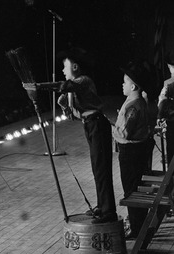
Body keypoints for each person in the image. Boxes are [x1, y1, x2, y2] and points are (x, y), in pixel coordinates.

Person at [23, 47, 117, 224]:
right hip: (89, 126)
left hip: (98, 125)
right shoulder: (74, 90)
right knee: (97, 168)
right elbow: (73, 115)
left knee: (102, 168)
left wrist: (39, 87)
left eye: (64, 67)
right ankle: (102, 205)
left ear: (74, 67)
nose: (62, 71)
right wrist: (64, 105)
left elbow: (65, 85)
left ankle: (108, 211)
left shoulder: (83, 81)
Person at [112, 61, 153, 240]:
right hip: (140, 149)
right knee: (136, 187)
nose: (123, 85)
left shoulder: (133, 106)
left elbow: (124, 132)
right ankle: (139, 225)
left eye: (125, 82)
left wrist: (112, 127)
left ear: (133, 85)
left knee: (131, 189)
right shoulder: (140, 102)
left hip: (130, 152)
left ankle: (137, 229)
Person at [157, 47, 174, 165]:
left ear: (169, 65)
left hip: (173, 123)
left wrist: (159, 117)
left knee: (172, 154)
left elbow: (162, 104)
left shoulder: (168, 84)